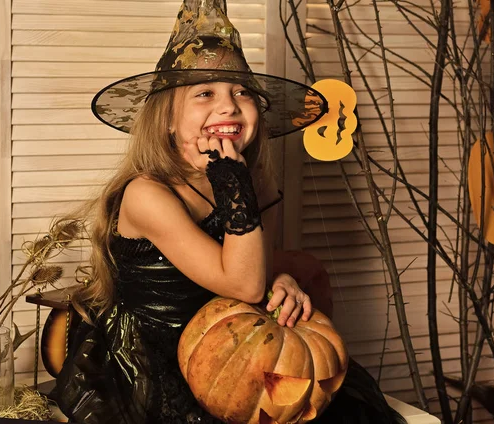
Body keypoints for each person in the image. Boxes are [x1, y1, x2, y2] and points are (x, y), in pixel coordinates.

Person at [54, 1, 406, 423]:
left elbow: (254, 266)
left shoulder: (253, 182)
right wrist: (233, 186)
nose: (229, 105)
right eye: (205, 93)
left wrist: (280, 275)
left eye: (242, 92)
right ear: (167, 119)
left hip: (230, 338)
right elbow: (241, 282)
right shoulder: (147, 194)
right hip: (156, 358)